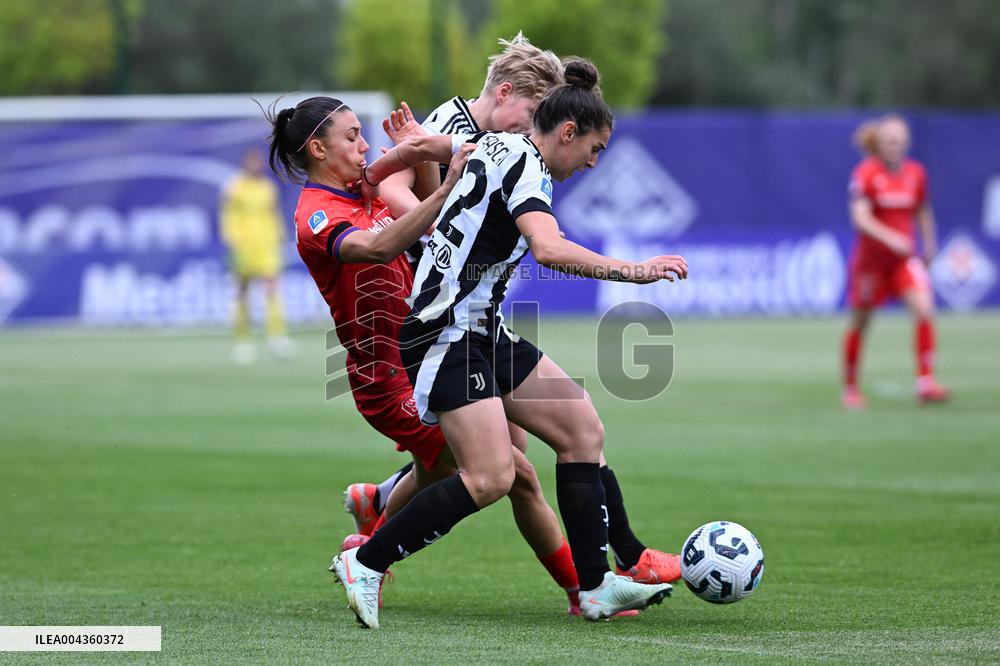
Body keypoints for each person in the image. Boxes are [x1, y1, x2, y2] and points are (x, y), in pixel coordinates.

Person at [330, 60, 689, 628]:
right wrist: (637, 272)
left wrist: (404, 154)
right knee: (492, 477)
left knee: (581, 430)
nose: (593, 164)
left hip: (480, 328)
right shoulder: (525, 161)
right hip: (444, 331)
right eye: (593, 150)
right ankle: (367, 563)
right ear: (567, 133)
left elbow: (431, 147)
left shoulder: (500, 143)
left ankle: (595, 587)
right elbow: (548, 249)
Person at [264, 95, 593, 618]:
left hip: (443, 343)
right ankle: (585, 593)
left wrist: (419, 146)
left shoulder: (366, 182)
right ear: (317, 148)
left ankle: (378, 508)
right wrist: (443, 190)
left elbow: (442, 161)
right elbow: (376, 248)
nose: (365, 144)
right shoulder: (317, 214)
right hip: (388, 376)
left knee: (498, 450)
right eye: (351, 137)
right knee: (511, 472)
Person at [842, 114, 950, 409]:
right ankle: (850, 387)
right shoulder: (866, 174)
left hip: (903, 262)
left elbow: (923, 210)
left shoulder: (915, 173)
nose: (896, 146)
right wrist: (890, 237)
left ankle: (926, 382)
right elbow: (860, 218)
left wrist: (929, 244)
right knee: (861, 323)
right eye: (890, 141)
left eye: (901, 142)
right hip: (870, 264)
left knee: (925, 310)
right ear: (878, 143)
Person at [219, 149, 295, 364]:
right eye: (251, 162)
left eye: (258, 162)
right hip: (243, 246)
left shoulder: (267, 188)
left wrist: (280, 237)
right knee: (242, 292)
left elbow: (274, 214)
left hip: (267, 245)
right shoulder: (235, 187)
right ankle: (242, 341)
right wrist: (231, 239)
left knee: (272, 289)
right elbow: (228, 214)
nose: (255, 166)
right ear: (245, 163)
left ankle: (277, 336)